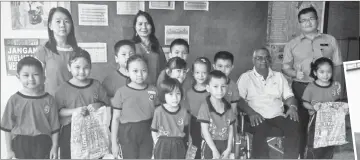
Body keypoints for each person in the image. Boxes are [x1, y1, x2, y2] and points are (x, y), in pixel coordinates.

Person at [282, 7, 343, 157]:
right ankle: (303, 156)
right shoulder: (292, 44)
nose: (307, 23)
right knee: (301, 127)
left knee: (326, 126)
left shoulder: (330, 40)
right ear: (299, 23)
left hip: (326, 89)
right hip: (301, 89)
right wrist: (294, 73)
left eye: (311, 19)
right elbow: (285, 67)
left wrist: (337, 90)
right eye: (303, 20)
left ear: (317, 20)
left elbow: (338, 66)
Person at [237, 48, 300, 159]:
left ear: (270, 60)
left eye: (266, 57)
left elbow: (289, 97)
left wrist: (293, 107)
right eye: (259, 58)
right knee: (260, 127)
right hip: (255, 116)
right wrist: (251, 113)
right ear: (253, 60)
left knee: (293, 125)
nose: (263, 60)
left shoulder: (279, 76)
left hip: (277, 116)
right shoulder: (246, 77)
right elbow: (239, 99)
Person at [54, 49, 110, 159]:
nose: (82, 71)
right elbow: (59, 111)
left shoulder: (96, 85)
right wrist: (76, 111)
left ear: (90, 67)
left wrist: (96, 106)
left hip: (93, 130)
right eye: (77, 67)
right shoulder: (63, 89)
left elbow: (105, 104)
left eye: (86, 67)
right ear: (69, 67)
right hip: (70, 131)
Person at [1, 57, 60, 159]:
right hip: (20, 142)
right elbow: (7, 127)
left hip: (43, 142)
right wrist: (9, 150)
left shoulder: (50, 100)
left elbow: (55, 127)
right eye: (26, 75)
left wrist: (54, 147)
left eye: (36, 75)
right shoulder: (14, 100)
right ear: (18, 77)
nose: (31, 79)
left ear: (43, 77)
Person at [111, 55, 158, 159]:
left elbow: (158, 115)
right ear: (127, 72)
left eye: (144, 70)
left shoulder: (153, 90)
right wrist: (114, 143)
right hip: (127, 133)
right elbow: (115, 118)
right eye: (135, 71)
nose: (140, 74)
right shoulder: (121, 92)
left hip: (148, 131)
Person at [302, 57, 344, 159]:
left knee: (329, 144)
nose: (326, 75)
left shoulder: (335, 86)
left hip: (331, 121)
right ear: (315, 72)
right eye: (322, 72)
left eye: (329, 72)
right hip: (316, 120)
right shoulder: (311, 87)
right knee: (314, 144)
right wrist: (313, 107)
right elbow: (304, 103)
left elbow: (338, 102)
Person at [35, 7, 79, 96]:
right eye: (58, 21)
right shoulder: (43, 50)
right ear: (50, 25)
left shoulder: (77, 51)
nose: (62, 25)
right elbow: (37, 79)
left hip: (73, 101)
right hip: (51, 101)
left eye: (66, 21)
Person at [197, 70, 236, 159]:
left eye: (223, 86)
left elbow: (231, 129)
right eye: (215, 86)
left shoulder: (228, 107)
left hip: (226, 145)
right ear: (208, 88)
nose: (220, 90)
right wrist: (214, 150)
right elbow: (205, 131)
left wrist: (229, 148)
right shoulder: (205, 107)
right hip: (210, 145)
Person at [151, 78, 190, 159]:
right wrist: (157, 144)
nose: (175, 98)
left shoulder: (184, 111)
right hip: (162, 144)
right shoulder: (158, 111)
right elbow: (154, 130)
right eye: (170, 94)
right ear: (163, 95)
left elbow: (186, 131)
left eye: (178, 93)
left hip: (179, 144)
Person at [102, 40, 135, 131]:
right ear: (116, 58)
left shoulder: (141, 77)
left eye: (131, 54)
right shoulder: (110, 80)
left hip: (138, 123)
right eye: (123, 54)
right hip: (118, 124)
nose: (128, 57)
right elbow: (104, 103)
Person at [213, 51, 241, 149]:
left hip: (227, 121)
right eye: (220, 66)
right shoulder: (208, 83)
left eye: (227, 66)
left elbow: (233, 111)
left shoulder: (233, 86)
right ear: (214, 66)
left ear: (232, 67)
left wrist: (234, 131)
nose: (223, 70)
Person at [186, 57, 212, 159]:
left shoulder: (211, 91)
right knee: (196, 147)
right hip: (194, 124)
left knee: (208, 148)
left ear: (209, 73)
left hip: (209, 123)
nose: (200, 76)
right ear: (193, 73)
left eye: (204, 73)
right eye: (197, 72)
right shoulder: (189, 92)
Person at [132, 10, 166, 85]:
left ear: (152, 26)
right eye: (140, 24)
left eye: (147, 23)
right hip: (136, 89)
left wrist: (158, 88)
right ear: (135, 27)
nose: (144, 27)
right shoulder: (131, 47)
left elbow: (163, 71)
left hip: (155, 88)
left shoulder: (157, 47)